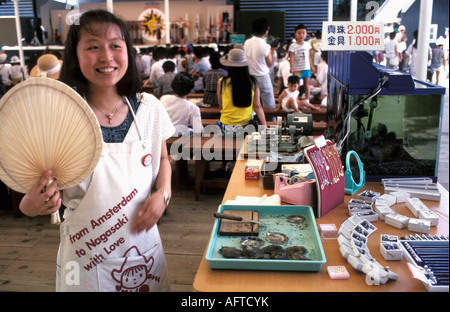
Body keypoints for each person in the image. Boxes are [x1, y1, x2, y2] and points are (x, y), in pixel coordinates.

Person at [19, 9, 174, 292]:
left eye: (116, 45)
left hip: (142, 250)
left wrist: (163, 193)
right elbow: (32, 192)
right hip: (83, 259)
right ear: (75, 56)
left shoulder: (149, 108)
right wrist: (31, 205)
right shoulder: (59, 115)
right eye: (93, 47)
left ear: (128, 50)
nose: (106, 57)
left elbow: (163, 157)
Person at [217, 48, 267, 136]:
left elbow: (221, 106)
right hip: (246, 127)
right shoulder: (253, 82)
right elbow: (257, 106)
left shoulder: (221, 82)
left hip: (226, 127)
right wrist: (265, 127)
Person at [244, 17, 278, 110]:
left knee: (252, 103)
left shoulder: (247, 42)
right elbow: (270, 64)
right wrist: (272, 50)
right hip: (262, 76)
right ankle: (270, 123)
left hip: (249, 76)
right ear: (266, 31)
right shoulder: (265, 46)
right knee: (269, 105)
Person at [289, 24, 314, 103]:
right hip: (297, 69)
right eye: (299, 33)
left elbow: (309, 56)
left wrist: (311, 65)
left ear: (306, 34)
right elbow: (291, 57)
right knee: (297, 85)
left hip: (306, 68)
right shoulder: (293, 45)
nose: (301, 35)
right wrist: (291, 67)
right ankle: (296, 100)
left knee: (307, 85)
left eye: (303, 33)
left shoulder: (307, 45)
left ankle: (307, 100)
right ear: (295, 34)